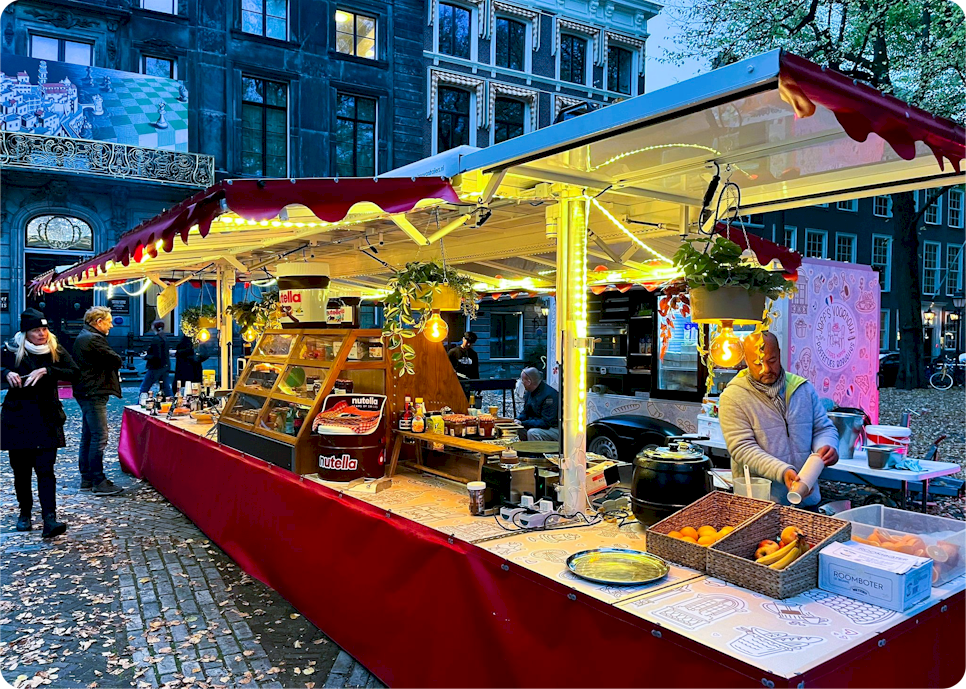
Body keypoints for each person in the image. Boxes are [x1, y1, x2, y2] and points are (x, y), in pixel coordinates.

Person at [719, 331, 839, 507]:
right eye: (758, 362)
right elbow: (742, 448)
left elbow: (823, 428)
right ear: (745, 360)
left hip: (807, 499)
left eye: (772, 361)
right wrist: (782, 471)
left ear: (780, 354)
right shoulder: (733, 396)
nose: (766, 369)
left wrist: (827, 446)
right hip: (759, 503)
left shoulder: (802, 388)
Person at [0, 308, 79, 538]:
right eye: (36, 330)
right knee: (21, 470)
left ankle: (49, 518)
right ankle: (25, 512)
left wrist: (48, 370)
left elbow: (75, 372)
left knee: (46, 469)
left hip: (47, 417)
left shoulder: (55, 349)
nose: (42, 333)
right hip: (18, 418)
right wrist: (5, 373)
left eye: (44, 329)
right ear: (26, 333)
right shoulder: (11, 350)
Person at [73, 306, 124, 496]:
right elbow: (115, 359)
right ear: (99, 322)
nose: (111, 325)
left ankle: (87, 477)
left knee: (89, 435)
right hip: (93, 391)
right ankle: (97, 479)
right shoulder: (93, 339)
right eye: (109, 321)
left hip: (87, 390)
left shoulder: (86, 336)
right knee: (99, 436)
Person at [515, 367, 560, 441]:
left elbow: (546, 422)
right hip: (540, 425)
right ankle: (524, 451)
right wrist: (518, 419)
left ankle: (535, 452)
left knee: (532, 433)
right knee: (519, 430)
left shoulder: (550, 396)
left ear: (529, 382)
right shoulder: (530, 393)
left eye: (523, 380)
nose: (522, 382)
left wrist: (523, 423)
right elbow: (526, 412)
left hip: (554, 429)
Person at [140, 320, 172, 398]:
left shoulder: (156, 339)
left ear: (154, 327)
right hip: (164, 366)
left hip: (155, 367)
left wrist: (145, 357)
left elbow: (156, 356)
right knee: (166, 388)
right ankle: (173, 403)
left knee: (144, 387)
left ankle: (140, 403)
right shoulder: (164, 338)